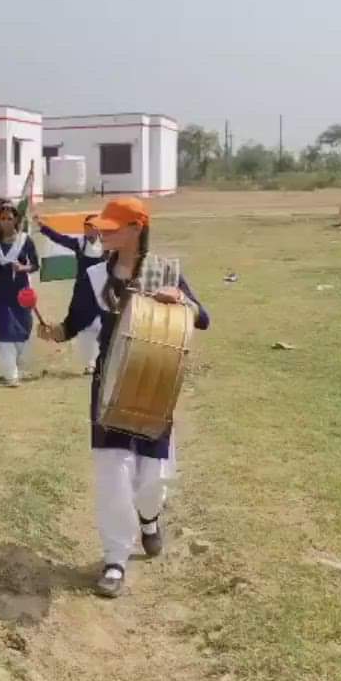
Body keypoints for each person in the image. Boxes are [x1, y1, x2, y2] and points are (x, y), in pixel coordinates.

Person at [37, 197, 210, 598]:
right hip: (109, 384)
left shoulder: (165, 270)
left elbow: (203, 318)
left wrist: (179, 299)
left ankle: (149, 518)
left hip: (155, 382)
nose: (103, 233)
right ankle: (115, 557)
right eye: (102, 227)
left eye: (112, 227)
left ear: (137, 228)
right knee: (113, 473)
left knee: (152, 481)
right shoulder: (94, 276)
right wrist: (50, 332)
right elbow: (72, 324)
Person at [37, 214, 105, 374]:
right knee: (84, 328)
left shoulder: (107, 246)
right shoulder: (79, 244)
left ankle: (100, 361)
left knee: (100, 326)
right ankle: (90, 363)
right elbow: (60, 239)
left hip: (101, 292)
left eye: (93, 226)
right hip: (82, 292)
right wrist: (43, 228)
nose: (89, 229)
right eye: (87, 226)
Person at [0, 203, 40, 387]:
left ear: (16, 220)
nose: (6, 222)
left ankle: (16, 366)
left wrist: (23, 268)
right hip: (1, 295)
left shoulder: (25, 241)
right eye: (3, 219)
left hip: (21, 294)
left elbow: (35, 265)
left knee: (21, 332)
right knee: (3, 334)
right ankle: (11, 376)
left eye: (10, 218)